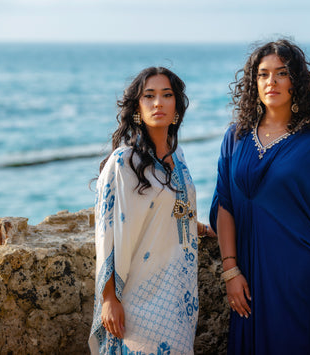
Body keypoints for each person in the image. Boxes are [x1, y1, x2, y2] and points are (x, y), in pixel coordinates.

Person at [209, 39, 310, 354]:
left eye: (281, 73)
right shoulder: (235, 137)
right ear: (254, 83)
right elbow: (225, 205)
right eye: (263, 74)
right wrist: (231, 270)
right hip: (247, 271)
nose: (271, 82)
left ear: (296, 82)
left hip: (301, 274)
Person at [88, 67, 215, 355]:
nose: (158, 103)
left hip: (179, 297)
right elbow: (106, 231)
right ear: (137, 108)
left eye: (167, 95)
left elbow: (170, 212)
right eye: (149, 96)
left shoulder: (178, 157)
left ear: (177, 108)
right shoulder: (123, 162)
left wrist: (204, 229)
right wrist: (109, 298)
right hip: (139, 299)